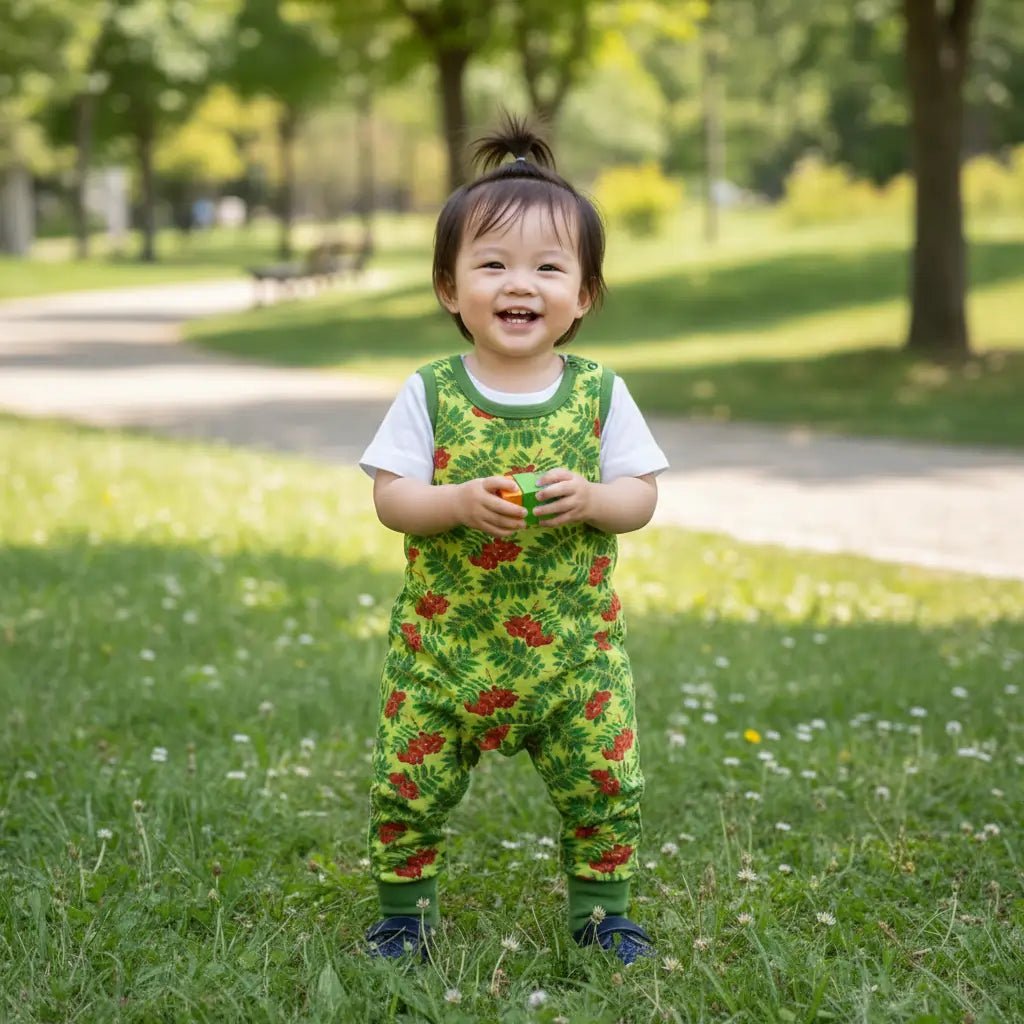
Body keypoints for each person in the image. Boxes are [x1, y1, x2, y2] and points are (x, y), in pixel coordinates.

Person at [358, 114, 668, 966]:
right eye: (490, 264)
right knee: (408, 781)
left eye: (546, 266)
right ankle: (402, 916)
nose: (517, 283)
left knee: (604, 779)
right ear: (451, 289)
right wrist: (453, 501)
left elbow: (641, 498)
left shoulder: (602, 393)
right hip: (447, 646)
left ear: (585, 294)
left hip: (574, 651)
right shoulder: (431, 391)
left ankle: (603, 914)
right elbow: (392, 500)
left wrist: (596, 497)